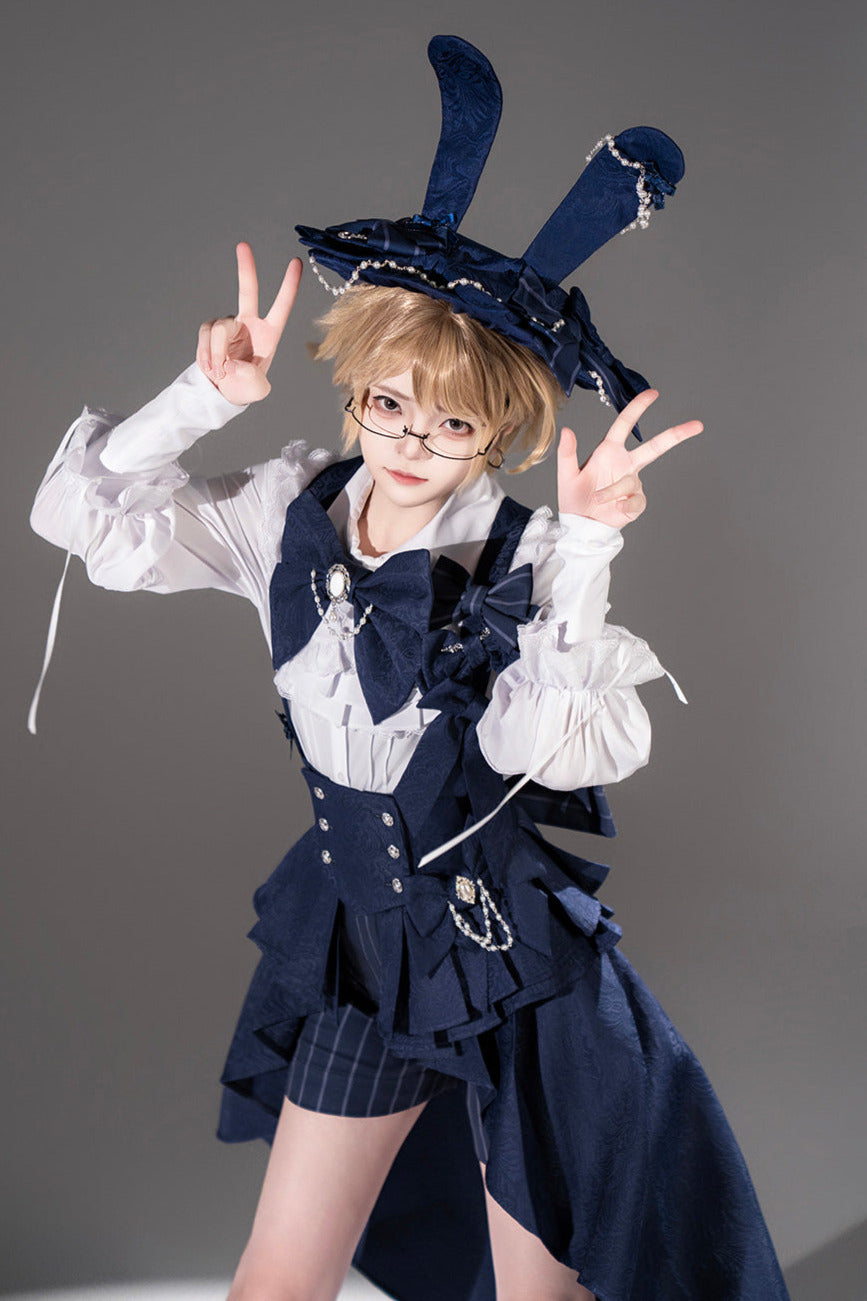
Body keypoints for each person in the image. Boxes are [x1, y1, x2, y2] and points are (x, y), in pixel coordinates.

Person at [29, 34, 791, 1301]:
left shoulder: (528, 550)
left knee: (543, 1295)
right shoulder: (287, 510)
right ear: (356, 387)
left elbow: (540, 749)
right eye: (388, 404)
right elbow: (82, 517)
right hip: (361, 942)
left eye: (452, 421)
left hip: (515, 964)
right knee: (275, 1281)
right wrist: (199, 398)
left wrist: (588, 547)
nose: (410, 441)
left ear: (498, 430)